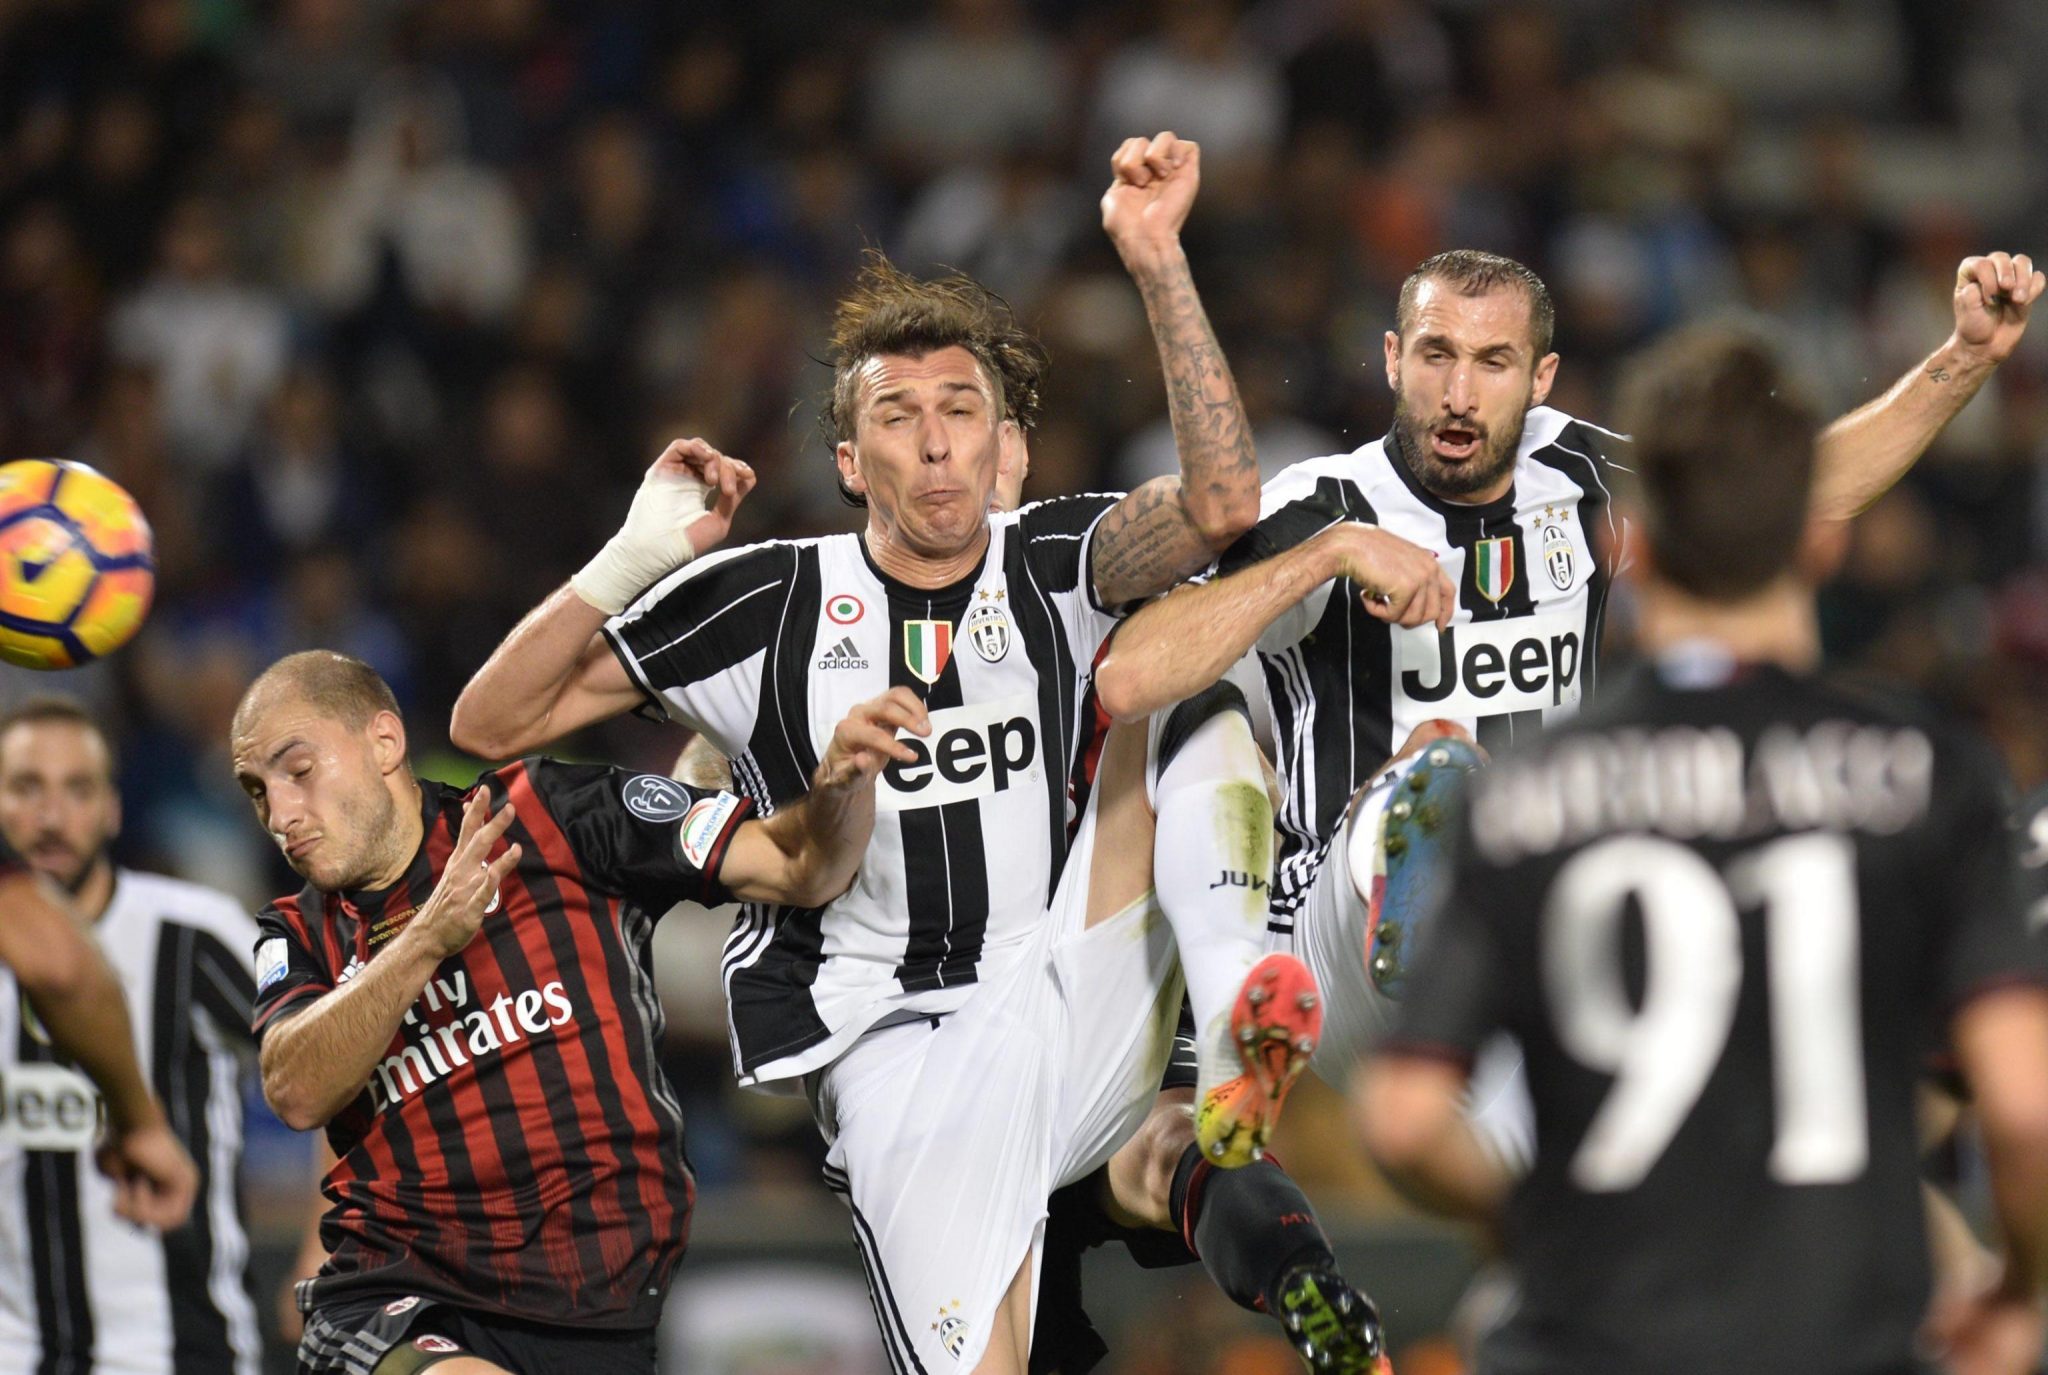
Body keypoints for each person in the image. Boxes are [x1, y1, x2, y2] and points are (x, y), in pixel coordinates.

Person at [450, 134, 1335, 1374]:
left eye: (959, 410)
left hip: (1059, 982)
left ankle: (1242, 990)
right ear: (848, 460)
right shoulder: (764, 602)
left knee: (1194, 679)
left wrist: (1154, 259)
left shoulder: (1056, 559)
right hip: (895, 1041)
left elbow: (1221, 505)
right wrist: (633, 557)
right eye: (897, 416)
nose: (933, 442)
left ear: (997, 440)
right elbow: (489, 724)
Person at [1092, 246, 2044, 1085]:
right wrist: (1324, 557)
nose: (1459, 394)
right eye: (1435, 355)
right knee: (1434, 768)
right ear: (1391, 359)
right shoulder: (1320, 506)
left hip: (1537, 928)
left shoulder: (1578, 475)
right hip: (1337, 949)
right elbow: (1129, 677)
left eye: (1492, 362)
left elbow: (1793, 494)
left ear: (1541, 376)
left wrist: (1965, 358)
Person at [1357, 326, 2048, 1375]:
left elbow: (1404, 1118)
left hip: (1595, 1336)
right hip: (1836, 1337)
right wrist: (2016, 1287)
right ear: (1820, 542)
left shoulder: (1524, 793)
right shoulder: (1927, 774)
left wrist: (1537, 1232)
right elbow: (2023, 1103)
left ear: (1626, 543)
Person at [235, 649, 921, 1375]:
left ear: (384, 742)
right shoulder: (297, 933)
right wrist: (427, 938)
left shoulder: (550, 815)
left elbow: (802, 865)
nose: (280, 815)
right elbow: (296, 1088)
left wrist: (842, 784)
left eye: (298, 770)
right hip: (401, 1299)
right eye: (256, 791)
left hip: (600, 1310)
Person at [0, 697, 276, 1374]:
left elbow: (329, 1062)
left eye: (78, 789)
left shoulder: (195, 932)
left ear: (113, 809)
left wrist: (323, 1246)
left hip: (179, 1349)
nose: (51, 817)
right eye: (26, 788)